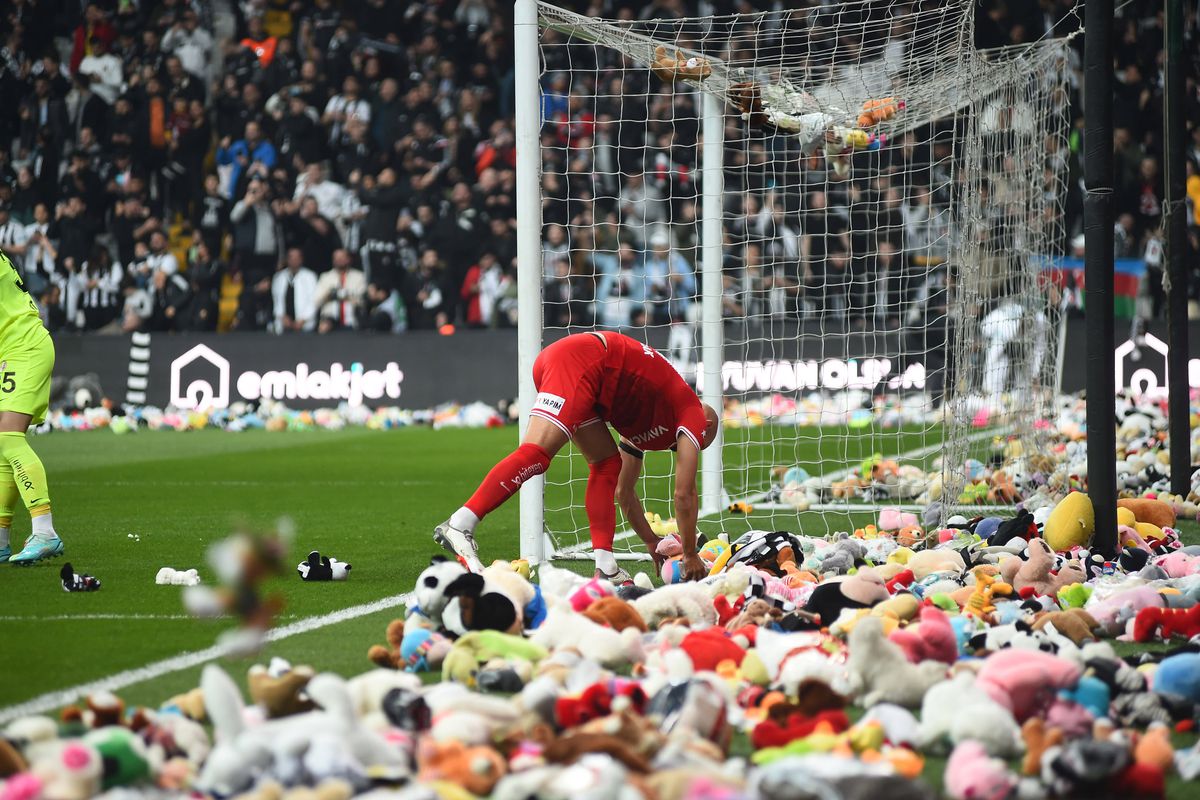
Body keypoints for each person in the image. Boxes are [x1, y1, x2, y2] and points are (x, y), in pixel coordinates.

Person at [434, 331, 720, 583]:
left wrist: (650, 540)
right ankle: (461, 523)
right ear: (705, 429)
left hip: (584, 373)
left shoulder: (656, 419)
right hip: (583, 361)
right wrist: (691, 554)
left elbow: (623, 490)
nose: (690, 446)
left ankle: (606, 568)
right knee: (537, 453)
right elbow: (684, 494)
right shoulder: (692, 413)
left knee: (607, 464)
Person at [0, 249, 65, 564]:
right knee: (3, 443)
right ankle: (0, 539)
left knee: (8, 438)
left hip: (23, 348)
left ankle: (45, 532)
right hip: (16, 348)